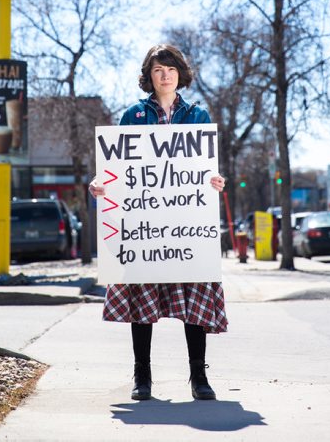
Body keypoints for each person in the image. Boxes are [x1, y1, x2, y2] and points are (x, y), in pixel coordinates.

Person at [89, 44, 228, 401]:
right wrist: (100, 184)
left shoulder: (197, 116)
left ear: (180, 73)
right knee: (142, 301)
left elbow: (205, 168)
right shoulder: (133, 116)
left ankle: (198, 375)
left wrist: (215, 180)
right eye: (157, 70)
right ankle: (142, 375)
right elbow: (117, 169)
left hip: (187, 226)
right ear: (149, 76)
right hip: (144, 230)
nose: (164, 75)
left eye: (170, 69)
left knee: (194, 299)